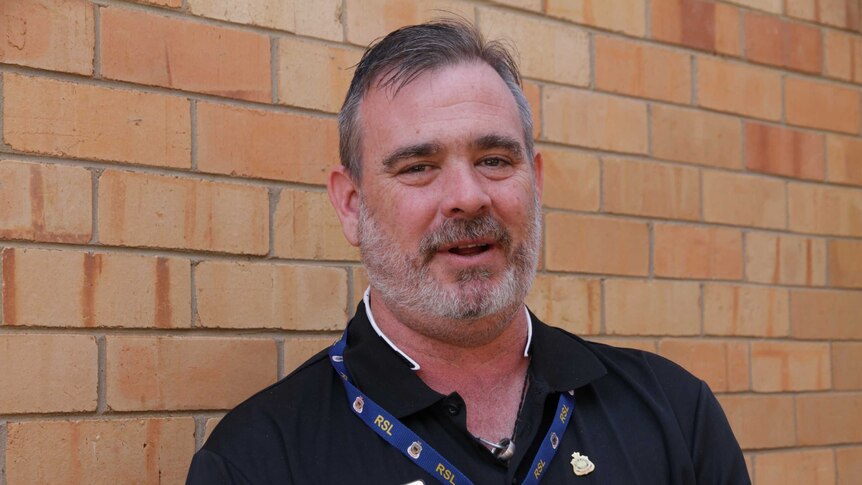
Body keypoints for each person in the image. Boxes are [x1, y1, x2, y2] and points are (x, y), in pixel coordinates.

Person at [187, 19, 750, 484]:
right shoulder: (256, 462)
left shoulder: (675, 414)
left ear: (534, 181)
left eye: (495, 160)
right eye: (418, 167)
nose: (467, 197)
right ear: (352, 205)